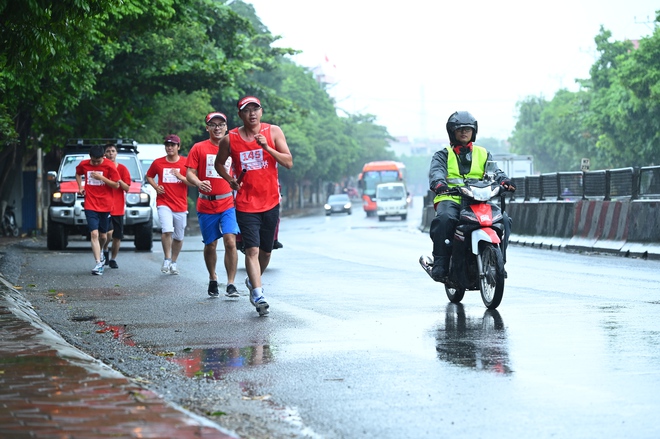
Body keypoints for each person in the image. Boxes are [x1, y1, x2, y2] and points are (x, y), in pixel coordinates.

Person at [215, 96, 293, 317]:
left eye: (255, 109)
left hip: (270, 201)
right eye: (246, 110)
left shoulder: (273, 132)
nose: (252, 113)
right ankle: (258, 294)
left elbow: (288, 162)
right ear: (240, 115)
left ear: (261, 111)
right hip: (246, 203)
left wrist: (267, 147)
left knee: (266, 253)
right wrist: (230, 181)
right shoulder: (230, 139)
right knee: (252, 249)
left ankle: (252, 281)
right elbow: (219, 164)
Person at [428, 111, 514, 282]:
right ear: (452, 132)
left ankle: (499, 263)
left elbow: (494, 171)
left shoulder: (483, 153)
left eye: (468, 129)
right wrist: (439, 184)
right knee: (444, 219)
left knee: (504, 220)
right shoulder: (442, 154)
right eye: (459, 129)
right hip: (450, 198)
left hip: (477, 199)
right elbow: (436, 172)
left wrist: (503, 180)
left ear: (473, 132)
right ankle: (440, 264)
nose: (464, 132)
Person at [186, 112, 240, 297]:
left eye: (221, 124)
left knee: (230, 241)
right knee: (210, 244)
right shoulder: (199, 148)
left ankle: (231, 283)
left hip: (227, 202)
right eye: (213, 124)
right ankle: (213, 277)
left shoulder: (234, 147)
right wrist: (198, 182)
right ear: (207, 127)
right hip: (206, 204)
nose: (217, 128)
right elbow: (189, 173)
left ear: (226, 127)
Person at [146, 134, 191, 275]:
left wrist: (180, 177)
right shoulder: (158, 163)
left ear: (178, 147)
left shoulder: (185, 163)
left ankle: (174, 262)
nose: (169, 147)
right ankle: (166, 258)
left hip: (180, 205)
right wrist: (155, 186)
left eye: (172, 145)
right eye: (167, 145)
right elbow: (149, 176)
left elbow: (192, 182)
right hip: (164, 202)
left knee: (178, 236)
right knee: (167, 230)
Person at [75, 144, 121, 275]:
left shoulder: (109, 166)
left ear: (104, 157)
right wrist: (80, 187)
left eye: (98, 161)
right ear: (90, 157)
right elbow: (78, 174)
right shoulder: (84, 164)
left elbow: (116, 185)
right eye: (93, 161)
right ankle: (98, 263)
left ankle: (100, 251)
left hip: (105, 204)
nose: (95, 163)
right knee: (94, 234)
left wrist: (101, 178)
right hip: (90, 203)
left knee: (103, 235)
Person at [101, 143, 131, 269]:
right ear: (104, 154)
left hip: (118, 208)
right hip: (105, 207)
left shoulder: (123, 169)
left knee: (117, 236)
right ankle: (105, 249)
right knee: (108, 234)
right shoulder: (101, 169)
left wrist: (119, 181)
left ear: (116, 153)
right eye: (108, 151)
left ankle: (113, 258)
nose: (111, 153)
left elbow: (127, 188)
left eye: (113, 151)